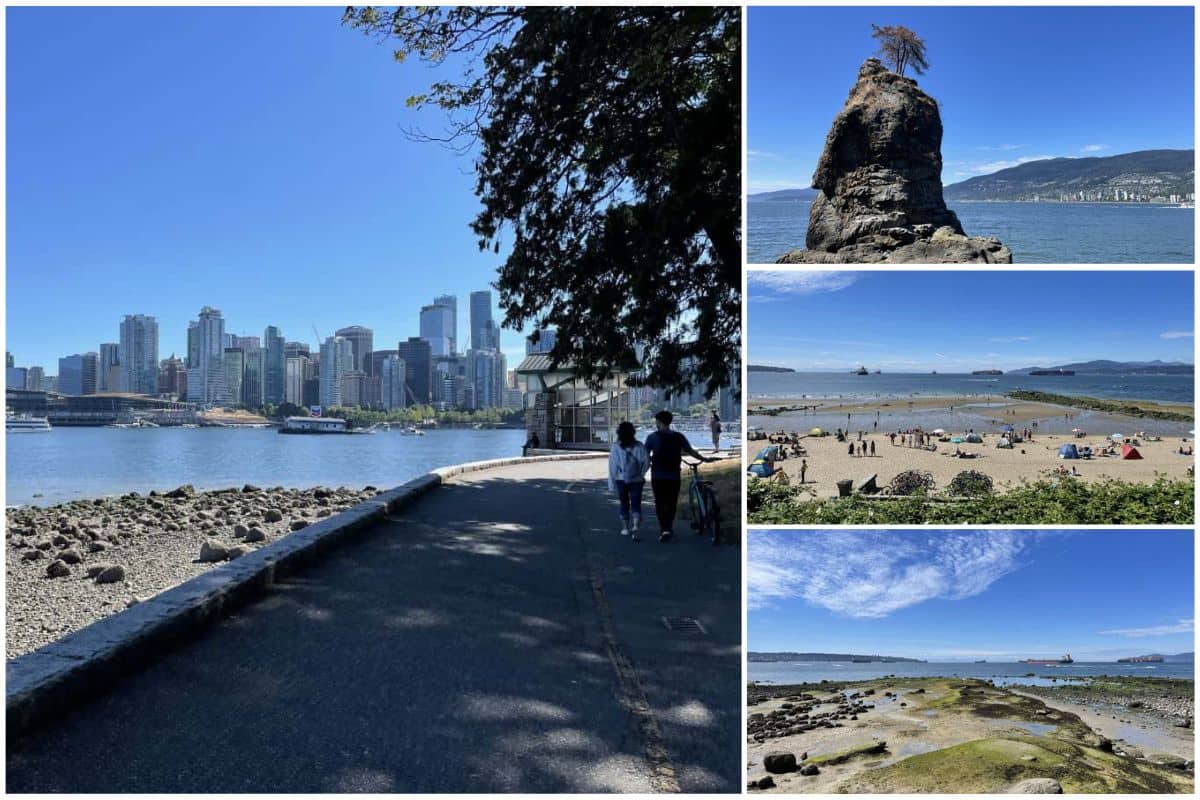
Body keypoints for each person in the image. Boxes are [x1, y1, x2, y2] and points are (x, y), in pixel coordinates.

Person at [644, 410, 712, 542]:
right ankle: (668, 527)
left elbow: (645, 455)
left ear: (658, 422)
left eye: (656, 421)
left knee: (659, 502)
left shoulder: (652, 437)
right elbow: (691, 451)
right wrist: (704, 458)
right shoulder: (679, 436)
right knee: (671, 502)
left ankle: (664, 529)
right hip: (673, 475)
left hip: (657, 475)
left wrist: (643, 469)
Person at [608, 421, 649, 540]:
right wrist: (641, 474)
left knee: (624, 503)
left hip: (621, 480)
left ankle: (625, 528)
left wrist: (611, 484)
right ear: (633, 432)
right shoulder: (639, 445)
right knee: (636, 504)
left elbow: (613, 467)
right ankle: (635, 526)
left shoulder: (615, 447)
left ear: (619, 433)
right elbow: (646, 462)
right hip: (637, 480)